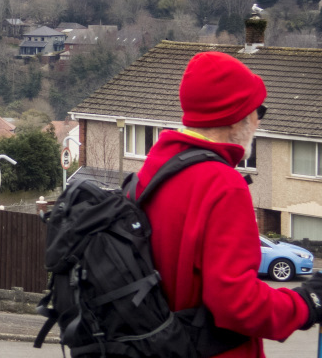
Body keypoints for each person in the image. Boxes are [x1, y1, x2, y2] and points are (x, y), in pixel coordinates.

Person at [133, 51, 322, 357]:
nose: (258, 121)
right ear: (239, 117)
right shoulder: (222, 185)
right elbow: (238, 304)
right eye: (258, 111)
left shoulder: (152, 172)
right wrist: (306, 304)